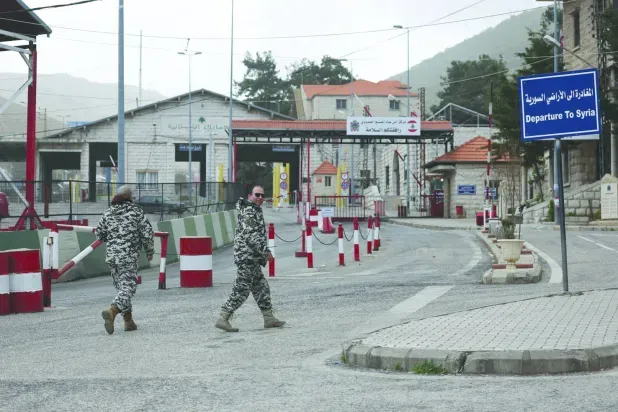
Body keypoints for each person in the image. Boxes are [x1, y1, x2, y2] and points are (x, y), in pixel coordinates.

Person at [215, 185, 285, 332]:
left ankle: (269, 318)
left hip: (252, 258)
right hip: (246, 257)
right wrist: (265, 252)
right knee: (241, 289)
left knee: (261, 287)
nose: (260, 198)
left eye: (262, 195)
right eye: (257, 195)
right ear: (250, 196)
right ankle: (223, 317)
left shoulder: (254, 209)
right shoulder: (249, 211)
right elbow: (251, 236)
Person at [95, 185, 155, 335]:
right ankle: (112, 310)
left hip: (112, 257)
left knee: (122, 288)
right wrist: (149, 251)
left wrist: (113, 239)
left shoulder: (108, 212)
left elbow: (99, 233)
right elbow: (147, 233)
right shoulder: (136, 211)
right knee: (129, 288)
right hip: (128, 256)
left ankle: (128, 321)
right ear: (130, 197)